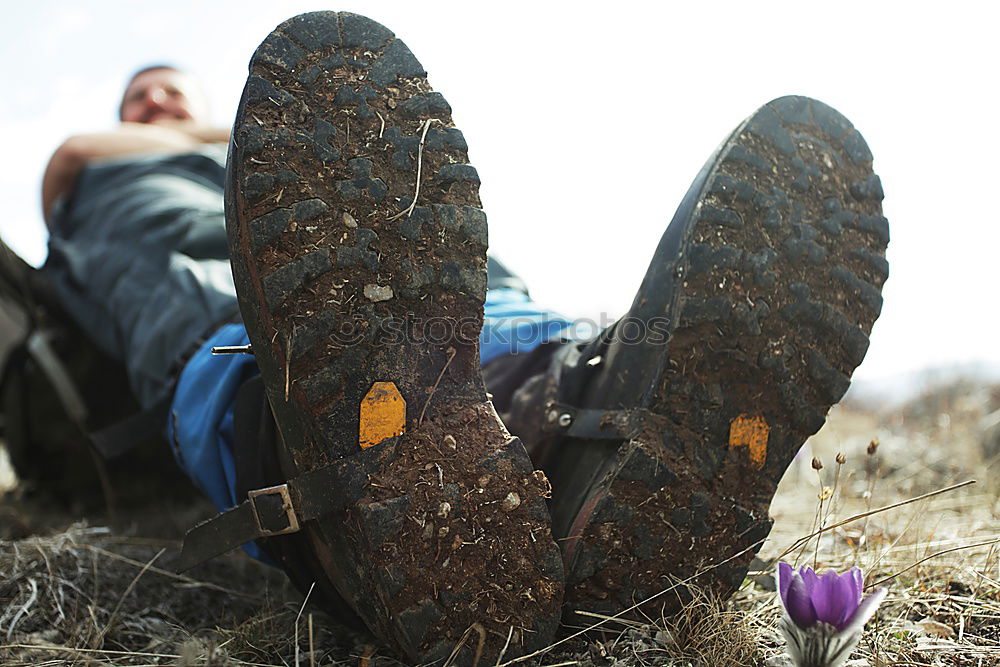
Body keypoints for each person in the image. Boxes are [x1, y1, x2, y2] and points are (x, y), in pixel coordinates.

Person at [34, 11, 888, 665]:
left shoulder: (255, 150)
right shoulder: (98, 168)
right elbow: (69, 158)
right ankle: (329, 464)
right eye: (139, 97)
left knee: (460, 306)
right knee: (251, 331)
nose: (154, 102)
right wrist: (206, 140)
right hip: (179, 257)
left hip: (381, 262)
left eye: (171, 90)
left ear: (206, 107)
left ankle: (580, 416)